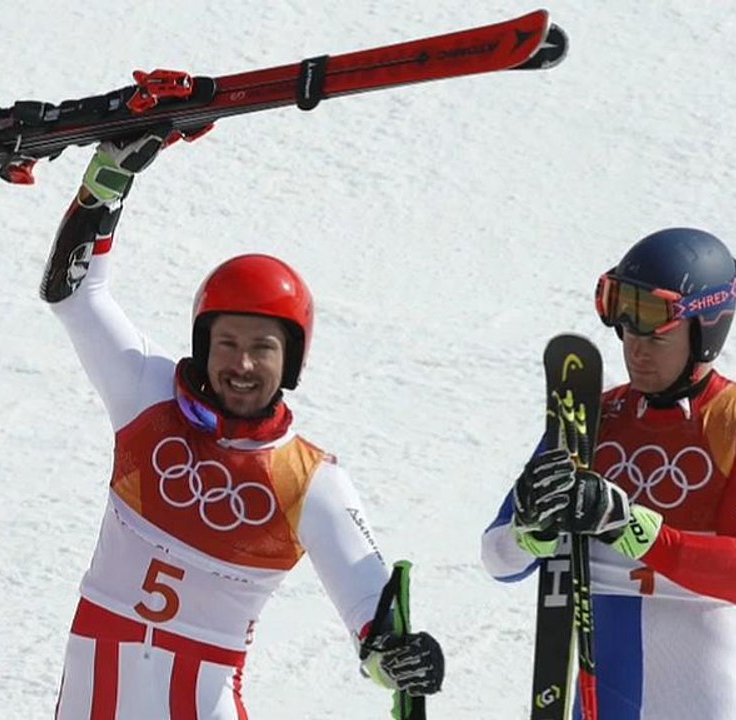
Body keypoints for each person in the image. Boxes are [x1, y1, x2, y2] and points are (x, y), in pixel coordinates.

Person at [39, 131, 445, 719]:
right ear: (203, 345)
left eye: (262, 347)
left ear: (292, 361)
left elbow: (374, 621)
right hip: (94, 692)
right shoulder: (147, 398)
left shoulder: (309, 480)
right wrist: (106, 185)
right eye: (226, 343)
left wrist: (399, 657)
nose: (243, 364)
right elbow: (74, 294)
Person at [481, 228, 736, 719]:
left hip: (701, 689)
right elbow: (497, 558)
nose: (636, 348)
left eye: (657, 333)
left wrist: (630, 528)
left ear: (705, 330)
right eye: (627, 329)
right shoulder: (590, 416)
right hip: (605, 688)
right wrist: (531, 532)